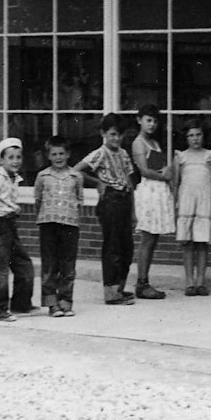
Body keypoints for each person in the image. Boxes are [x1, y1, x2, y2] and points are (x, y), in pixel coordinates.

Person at [76, 115, 137, 306]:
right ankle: (110, 292)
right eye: (112, 134)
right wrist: (97, 182)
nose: (116, 139)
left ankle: (119, 288)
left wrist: (134, 211)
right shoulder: (100, 153)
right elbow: (77, 170)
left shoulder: (124, 154)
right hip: (110, 201)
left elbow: (129, 182)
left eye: (119, 134)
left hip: (124, 200)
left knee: (126, 247)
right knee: (112, 246)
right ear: (103, 133)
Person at [0, 137, 34, 322]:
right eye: (10, 157)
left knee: (24, 265)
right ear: (1, 161)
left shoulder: (14, 179)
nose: (15, 161)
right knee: (0, 270)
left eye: (18, 157)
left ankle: (20, 304)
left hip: (11, 225)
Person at [32, 136, 83, 317]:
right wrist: (46, 214)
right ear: (48, 156)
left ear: (68, 154)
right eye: (54, 154)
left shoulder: (76, 177)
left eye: (61, 153)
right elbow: (37, 200)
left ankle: (65, 300)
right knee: (50, 264)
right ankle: (52, 304)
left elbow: (79, 199)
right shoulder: (43, 176)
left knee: (68, 264)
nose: (58, 157)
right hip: (48, 224)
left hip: (69, 224)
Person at [171, 120, 211, 296]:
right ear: (186, 138)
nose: (195, 139)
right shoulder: (181, 156)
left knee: (202, 243)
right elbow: (175, 183)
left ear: (203, 136)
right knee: (188, 243)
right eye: (191, 135)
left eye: (198, 134)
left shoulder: (210, 155)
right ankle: (189, 282)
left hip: (205, 200)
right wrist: (175, 206)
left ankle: (201, 281)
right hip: (187, 199)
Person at [128, 105, 175, 299]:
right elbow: (144, 170)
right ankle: (141, 283)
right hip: (149, 191)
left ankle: (145, 280)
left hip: (159, 191)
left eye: (155, 121)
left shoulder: (155, 142)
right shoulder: (139, 143)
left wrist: (168, 172)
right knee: (147, 238)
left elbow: (161, 166)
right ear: (139, 120)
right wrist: (165, 176)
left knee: (153, 238)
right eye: (148, 120)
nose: (152, 124)